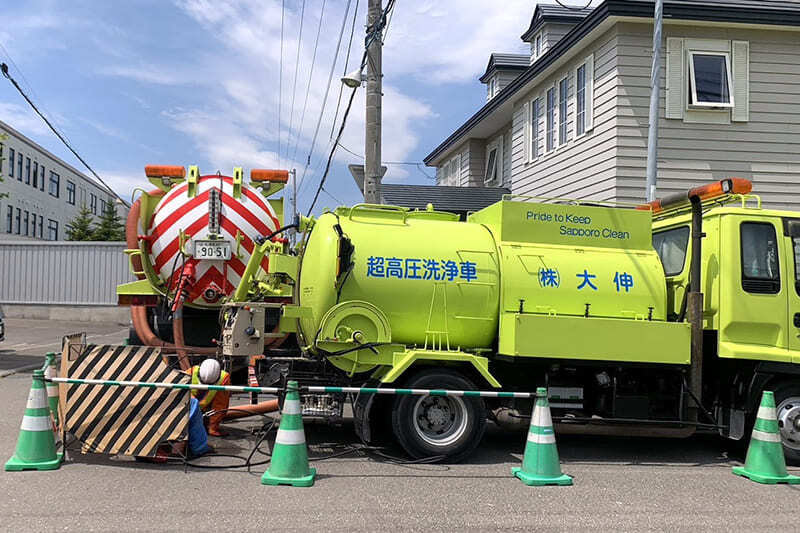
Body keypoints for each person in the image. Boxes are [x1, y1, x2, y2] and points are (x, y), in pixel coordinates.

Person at [188, 359, 230, 437]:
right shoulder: (191, 372)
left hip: (204, 412)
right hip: (186, 409)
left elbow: (220, 405)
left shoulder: (223, 379)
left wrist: (213, 428)